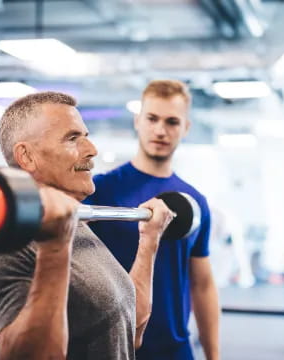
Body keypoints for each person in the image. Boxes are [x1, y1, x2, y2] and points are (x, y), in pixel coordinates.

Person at [0, 91, 175, 360]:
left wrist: (149, 240)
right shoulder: (9, 247)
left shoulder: (77, 225)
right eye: (72, 138)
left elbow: (130, 328)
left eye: (86, 136)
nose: (91, 150)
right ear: (27, 156)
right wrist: (55, 249)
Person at [85, 80, 221, 360]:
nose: (160, 130)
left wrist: (213, 356)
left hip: (175, 349)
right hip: (113, 348)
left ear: (186, 128)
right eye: (152, 118)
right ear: (138, 121)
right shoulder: (98, 191)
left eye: (172, 122)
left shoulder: (196, 202)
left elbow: (203, 285)